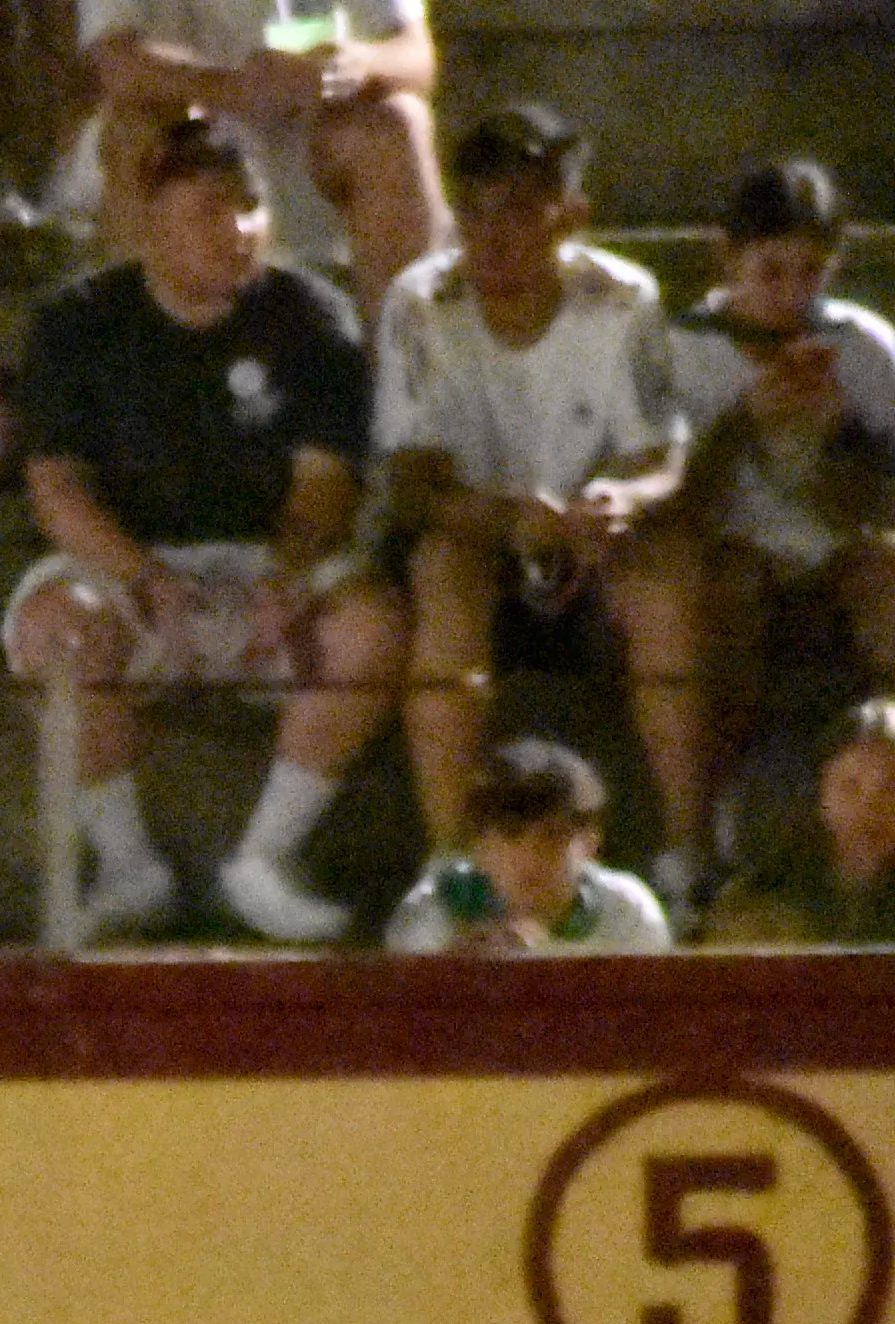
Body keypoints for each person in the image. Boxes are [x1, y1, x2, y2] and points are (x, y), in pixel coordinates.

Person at [1, 107, 398, 945]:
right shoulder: (76, 324)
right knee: (54, 629)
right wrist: (146, 580)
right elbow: (57, 487)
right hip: (132, 562)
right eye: (209, 210)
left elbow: (326, 489)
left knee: (373, 626)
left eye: (250, 205)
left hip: (271, 558)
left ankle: (264, 858)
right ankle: (128, 865)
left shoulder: (313, 318)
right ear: (151, 221)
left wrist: (282, 580)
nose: (238, 229)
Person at [374, 106, 707, 906]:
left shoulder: (625, 299)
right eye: (476, 210)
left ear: (571, 214)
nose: (493, 235)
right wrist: (508, 518)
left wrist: (615, 502)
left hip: (596, 550)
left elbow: (660, 452)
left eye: (520, 209)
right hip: (478, 537)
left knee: (668, 587)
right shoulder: (420, 303)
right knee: (443, 573)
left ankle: (688, 853)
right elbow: (413, 478)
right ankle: (451, 868)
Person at [660, 166, 895, 852]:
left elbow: (868, 507)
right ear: (728, 257)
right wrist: (741, 424)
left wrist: (837, 438)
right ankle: (706, 830)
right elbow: (671, 506)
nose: (793, 294)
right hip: (726, 551)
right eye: (772, 272)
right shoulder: (679, 349)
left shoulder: (865, 347)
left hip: (833, 551)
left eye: (811, 272)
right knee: (725, 591)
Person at [70, 0, 439, 325]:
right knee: (133, 134)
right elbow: (115, 65)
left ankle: (398, 370)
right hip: (194, 135)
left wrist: (356, 64)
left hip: (318, 143)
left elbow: (415, 55)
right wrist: (235, 89)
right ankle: (134, 363)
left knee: (398, 122)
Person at [389, 729, 669, 951]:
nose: (531, 855)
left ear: (589, 845)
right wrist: (460, 965)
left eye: (552, 836)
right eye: (512, 835)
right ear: (479, 847)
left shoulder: (628, 912)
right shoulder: (435, 908)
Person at [715, 694, 895, 944]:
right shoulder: (759, 904)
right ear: (821, 795)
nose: (870, 808)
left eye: (890, 789)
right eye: (850, 787)